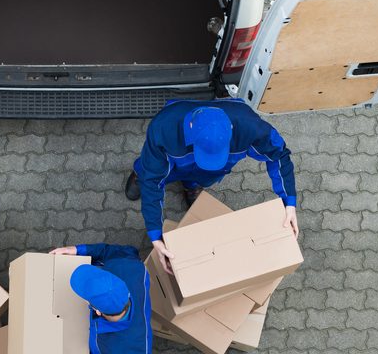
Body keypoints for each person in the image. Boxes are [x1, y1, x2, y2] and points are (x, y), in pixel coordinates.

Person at [125, 98, 299, 274]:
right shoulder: (163, 128)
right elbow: (153, 181)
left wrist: (289, 201)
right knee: (149, 171)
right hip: (173, 161)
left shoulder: (249, 125)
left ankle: (192, 185)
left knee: (204, 176)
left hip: (210, 172)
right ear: (191, 127)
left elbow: (279, 155)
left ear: (231, 128)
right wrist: (155, 233)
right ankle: (138, 175)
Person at [49, 243, 151, 354]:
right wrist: (77, 250)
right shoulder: (132, 267)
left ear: (96, 311)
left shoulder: (123, 348)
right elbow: (113, 251)